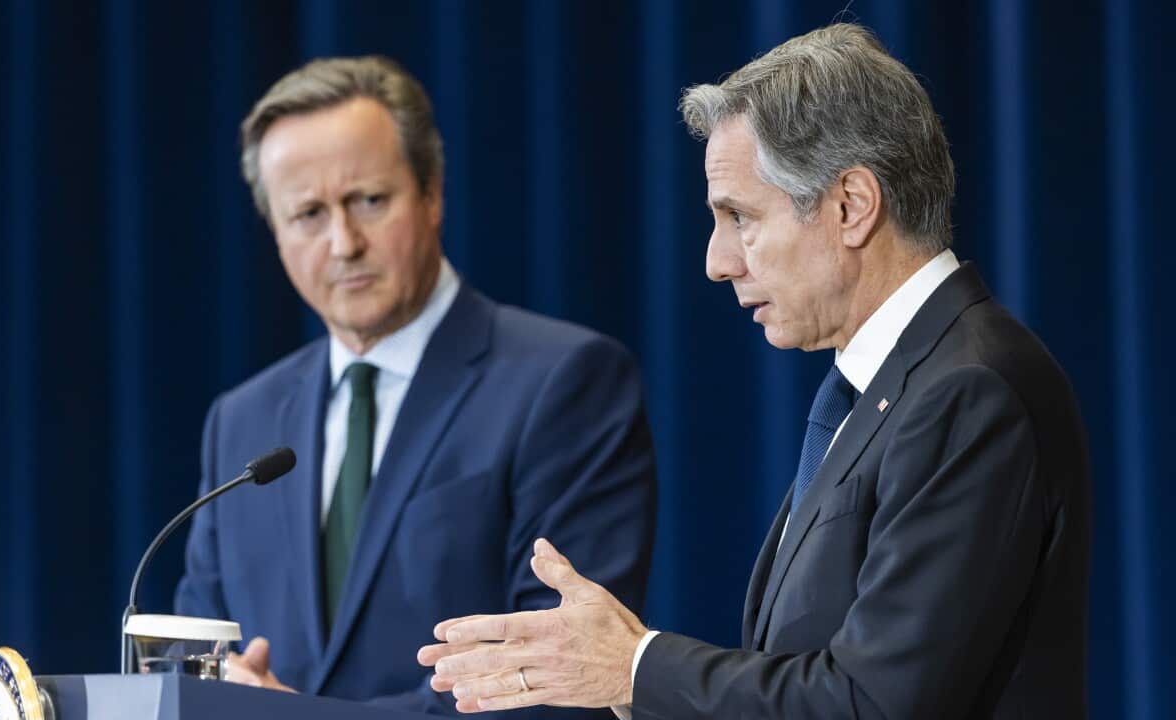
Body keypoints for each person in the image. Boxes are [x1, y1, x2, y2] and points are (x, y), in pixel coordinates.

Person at [419, 23, 1091, 719]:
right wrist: (627, 678)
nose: (718, 261)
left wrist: (637, 668)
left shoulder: (969, 390)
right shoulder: (884, 388)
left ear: (850, 206)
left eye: (739, 217)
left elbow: (874, 703)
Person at [174, 56, 657, 718]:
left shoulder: (567, 382)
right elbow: (201, 656)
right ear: (276, 234)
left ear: (432, 193)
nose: (343, 243)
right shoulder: (242, 422)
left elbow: (555, 676)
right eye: (308, 214)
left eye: (369, 201)